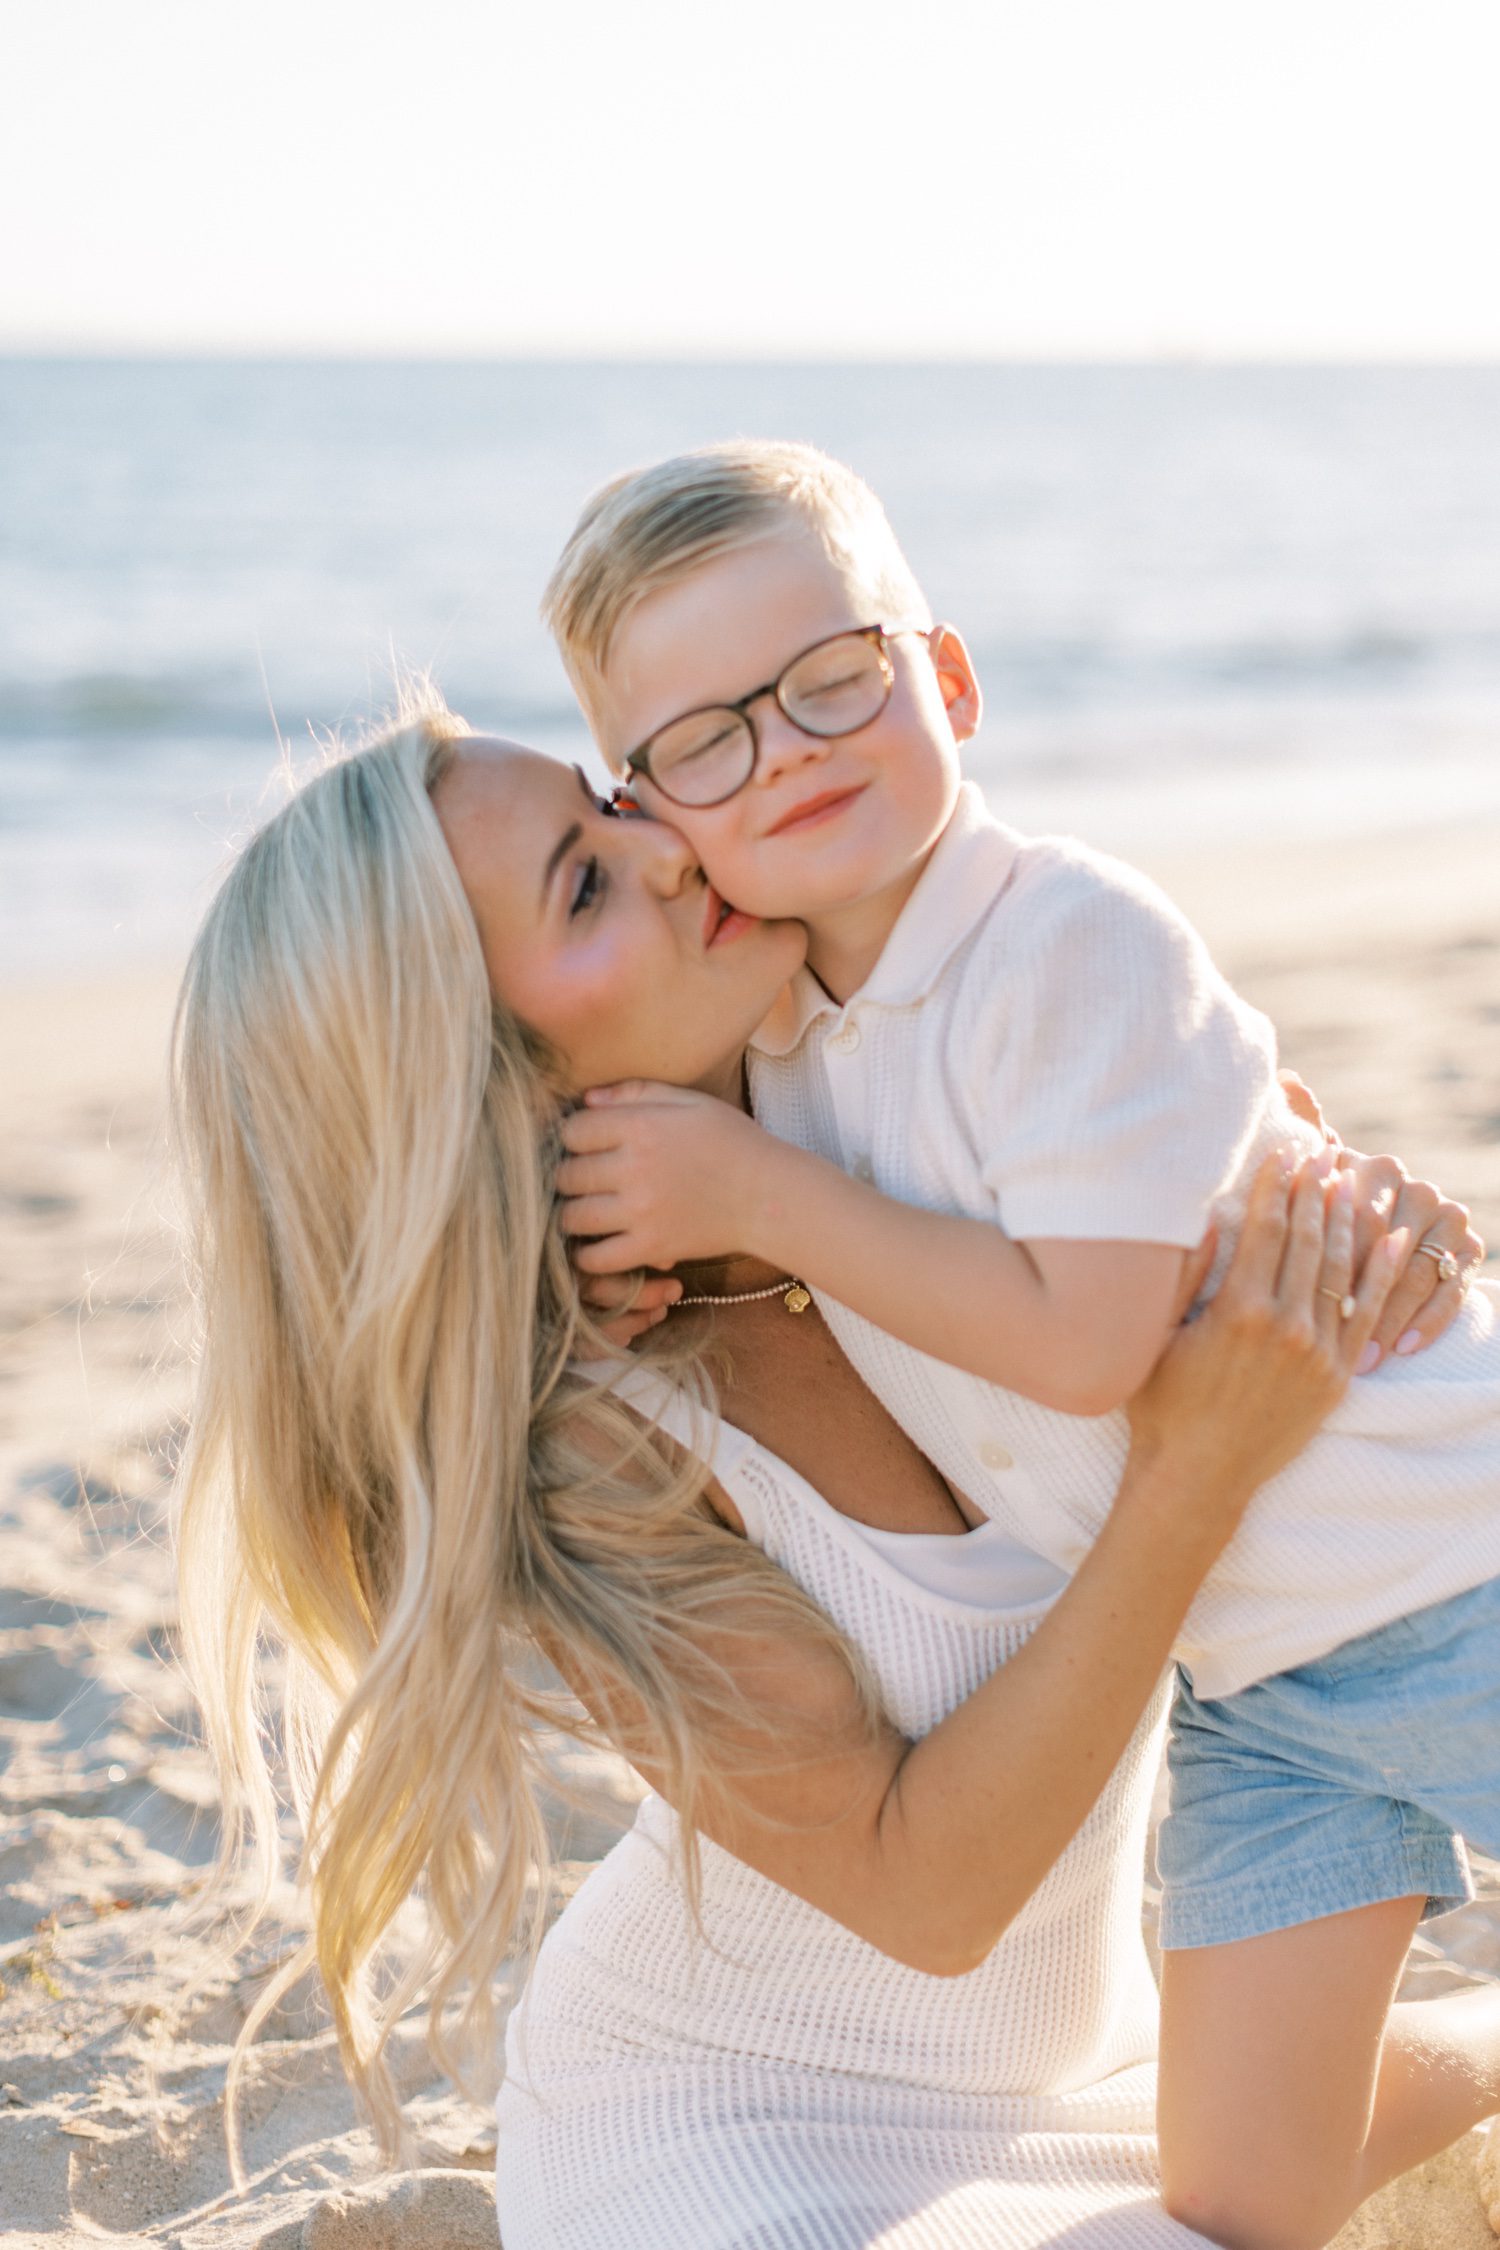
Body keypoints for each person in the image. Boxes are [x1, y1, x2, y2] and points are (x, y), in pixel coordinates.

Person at [171, 698, 1474, 2250]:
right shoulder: (590, 1439)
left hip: (1098, 2069)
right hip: (729, 2133)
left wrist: (1362, 1238)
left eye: (612, 802)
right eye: (585, 885)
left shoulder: (917, 1097)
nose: (664, 849)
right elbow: (928, 1897)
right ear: (484, 1083)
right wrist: (1192, 1471)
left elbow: (1263, 1229)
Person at [540, 440, 1500, 2248]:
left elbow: (1082, 1345)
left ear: (948, 681)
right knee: (1240, 2187)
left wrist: (745, 1187)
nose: (794, 746)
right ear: (655, 810)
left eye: (834, 677)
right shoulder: (794, 1044)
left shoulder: (1064, 935)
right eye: (708, 739)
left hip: (1441, 1567)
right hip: (1267, 1688)